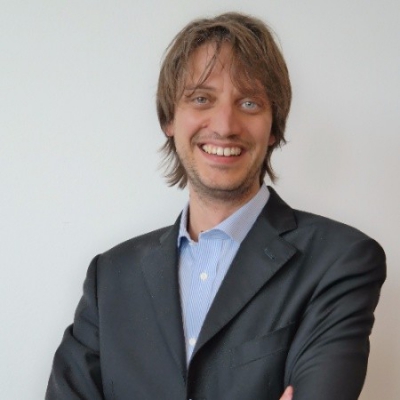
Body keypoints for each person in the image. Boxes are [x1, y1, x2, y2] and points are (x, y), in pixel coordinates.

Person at [46, 12, 386, 400]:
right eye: (201, 99)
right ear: (169, 119)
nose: (225, 125)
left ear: (274, 127)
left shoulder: (339, 261)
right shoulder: (110, 277)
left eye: (249, 103)